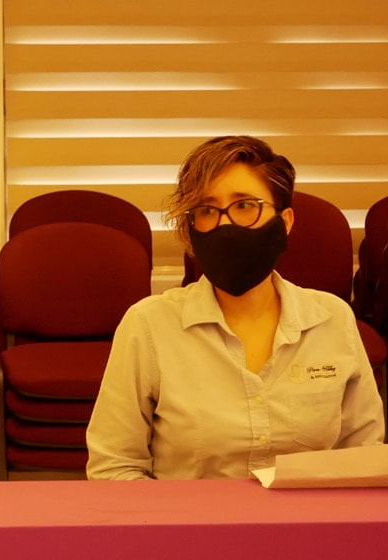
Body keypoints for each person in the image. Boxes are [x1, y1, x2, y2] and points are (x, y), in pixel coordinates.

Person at [86, 135, 385, 480]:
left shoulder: (332, 319)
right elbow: (114, 467)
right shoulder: (149, 325)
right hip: (187, 516)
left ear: (285, 221)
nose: (225, 225)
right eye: (207, 210)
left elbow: (363, 457)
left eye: (245, 205)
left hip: (308, 516)